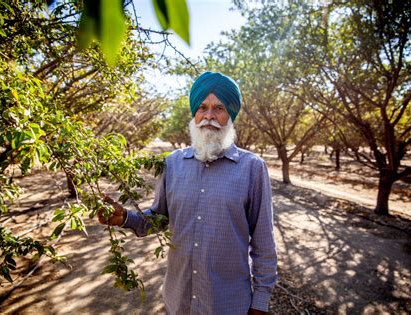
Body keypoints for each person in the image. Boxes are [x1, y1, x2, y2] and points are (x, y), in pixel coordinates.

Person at [98, 71, 277, 315]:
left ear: (230, 116)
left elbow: (263, 242)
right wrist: (126, 218)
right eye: (202, 107)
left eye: (219, 108)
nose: (209, 116)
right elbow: (159, 217)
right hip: (178, 300)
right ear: (194, 114)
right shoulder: (172, 163)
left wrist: (260, 303)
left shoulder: (252, 168)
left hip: (228, 304)